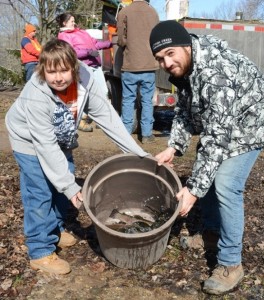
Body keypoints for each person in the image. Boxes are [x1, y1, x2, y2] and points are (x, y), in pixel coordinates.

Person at [149, 20, 264, 295]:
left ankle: (231, 263)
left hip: (252, 124)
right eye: (160, 58)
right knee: (206, 167)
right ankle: (211, 233)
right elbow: (185, 113)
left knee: (225, 183)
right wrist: (173, 146)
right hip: (226, 125)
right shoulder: (186, 69)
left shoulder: (215, 71)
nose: (166, 63)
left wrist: (193, 191)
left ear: (185, 45)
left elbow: (217, 138)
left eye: (170, 53)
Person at [5, 39, 148, 275]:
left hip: (61, 135)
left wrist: (137, 154)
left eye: (63, 70)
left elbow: (107, 117)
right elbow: (45, 145)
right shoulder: (36, 93)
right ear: (42, 70)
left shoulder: (87, 79)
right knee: (40, 191)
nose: (58, 77)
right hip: (29, 141)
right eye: (51, 72)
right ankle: (40, 250)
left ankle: (55, 229)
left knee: (64, 180)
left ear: (74, 66)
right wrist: (70, 187)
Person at [56, 12, 112, 132]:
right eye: (71, 20)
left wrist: (109, 44)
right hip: (83, 66)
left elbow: (95, 44)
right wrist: (88, 52)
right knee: (82, 94)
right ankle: (80, 120)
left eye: (74, 20)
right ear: (64, 23)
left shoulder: (81, 32)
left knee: (103, 92)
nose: (74, 22)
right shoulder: (63, 36)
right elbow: (71, 52)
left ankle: (102, 119)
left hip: (95, 65)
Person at [116, 0, 159, 144]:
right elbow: (156, 38)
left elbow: (121, 39)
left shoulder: (124, 12)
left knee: (128, 100)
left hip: (131, 64)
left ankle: (126, 134)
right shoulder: (153, 12)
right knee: (147, 100)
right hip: (149, 64)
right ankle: (146, 134)